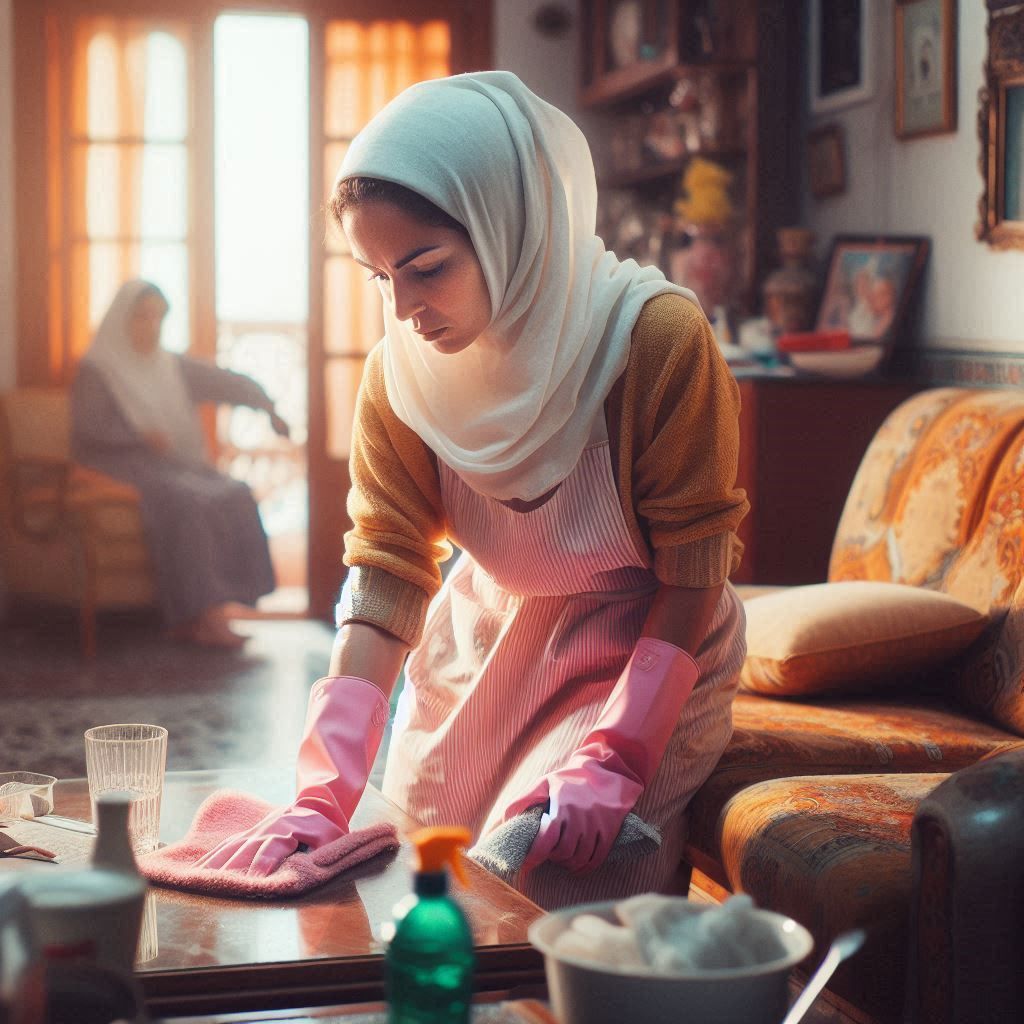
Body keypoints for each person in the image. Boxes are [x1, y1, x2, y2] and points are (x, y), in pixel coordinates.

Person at [195, 71, 748, 908]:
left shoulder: (658, 343)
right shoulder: (398, 379)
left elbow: (694, 570)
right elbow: (384, 575)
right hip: (485, 641)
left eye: (427, 267)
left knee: (559, 895)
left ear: (508, 227)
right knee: (428, 892)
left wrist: (617, 755)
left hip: (646, 649)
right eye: (379, 277)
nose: (405, 307)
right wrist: (323, 789)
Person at [70, 279, 288, 649]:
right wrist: (139, 439)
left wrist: (267, 405)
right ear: (122, 320)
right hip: (115, 462)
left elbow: (224, 382)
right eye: (141, 317)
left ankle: (209, 613)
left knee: (232, 491)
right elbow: (90, 429)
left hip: (164, 463)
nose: (150, 326)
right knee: (186, 500)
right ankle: (204, 618)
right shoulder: (98, 368)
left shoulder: (169, 366)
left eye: (157, 317)